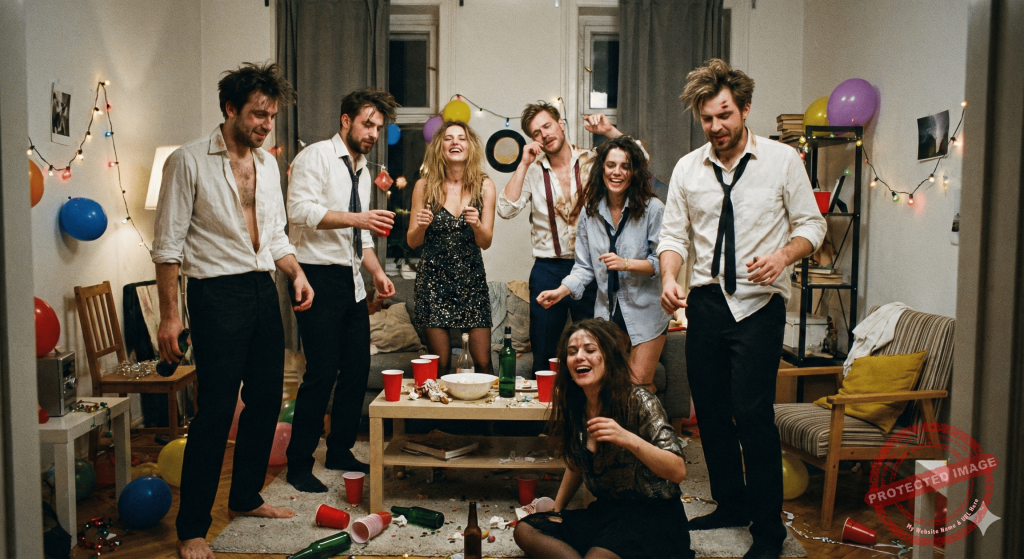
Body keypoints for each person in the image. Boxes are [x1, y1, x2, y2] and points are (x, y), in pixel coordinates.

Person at [658, 59, 826, 559]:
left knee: (752, 415)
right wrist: (668, 277)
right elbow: (673, 236)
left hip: (760, 304)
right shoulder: (688, 169)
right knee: (710, 413)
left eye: (725, 114)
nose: (716, 126)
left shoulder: (782, 161)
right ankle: (730, 504)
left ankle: (769, 531)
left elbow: (812, 226)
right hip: (707, 302)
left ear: (746, 108)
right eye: (707, 118)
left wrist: (782, 256)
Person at [151, 62, 314, 559]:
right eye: (258, 114)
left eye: (271, 116)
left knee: (265, 399)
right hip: (215, 294)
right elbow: (168, 246)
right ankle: (192, 529)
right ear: (229, 109)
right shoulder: (187, 161)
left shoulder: (268, 165)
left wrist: (296, 273)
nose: (266, 124)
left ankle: (244, 496)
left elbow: (276, 236)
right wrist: (170, 316)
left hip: (264, 288)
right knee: (217, 410)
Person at [283, 88, 399, 492]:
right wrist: (358, 219)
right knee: (321, 373)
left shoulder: (362, 169)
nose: (373, 134)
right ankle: (298, 464)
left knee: (355, 369)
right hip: (314, 276)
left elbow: (359, 235)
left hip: (351, 280)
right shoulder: (314, 156)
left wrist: (377, 273)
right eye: (368, 124)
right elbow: (299, 211)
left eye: (378, 128)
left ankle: (339, 450)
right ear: (346, 120)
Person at [513, 319, 694, 559]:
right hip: (606, 511)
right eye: (572, 352)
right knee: (526, 530)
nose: (579, 357)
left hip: (652, 514)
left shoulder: (639, 400)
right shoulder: (577, 403)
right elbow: (577, 463)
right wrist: (557, 508)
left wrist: (627, 438)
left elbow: (678, 470)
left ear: (608, 358)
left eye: (590, 350)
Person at [497, 103, 632, 377]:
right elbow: (505, 209)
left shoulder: (593, 160)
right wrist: (523, 163)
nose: (544, 135)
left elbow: (637, 159)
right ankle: (544, 406)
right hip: (548, 270)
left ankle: (591, 404)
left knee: (596, 349)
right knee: (545, 354)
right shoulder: (533, 171)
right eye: (536, 133)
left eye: (547, 126)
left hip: (591, 268)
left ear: (561, 123)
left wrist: (609, 130)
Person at [536, 136, 668, 392]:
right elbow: (584, 267)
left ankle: (646, 419)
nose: (617, 172)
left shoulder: (653, 209)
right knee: (609, 386)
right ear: (602, 169)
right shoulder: (590, 212)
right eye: (611, 165)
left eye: (625, 166)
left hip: (646, 310)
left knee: (639, 384)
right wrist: (560, 292)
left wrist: (626, 263)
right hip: (606, 312)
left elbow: (661, 263)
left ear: (634, 172)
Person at [407, 121, 496, 375]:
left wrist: (477, 225)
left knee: (483, 364)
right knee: (440, 366)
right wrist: (421, 226)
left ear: (470, 146)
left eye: (461, 138)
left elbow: (486, 242)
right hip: (433, 283)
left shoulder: (484, 185)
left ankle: (487, 405)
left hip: (472, 282)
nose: (455, 142)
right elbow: (412, 241)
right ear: (440, 146)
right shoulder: (424, 186)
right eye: (448, 138)